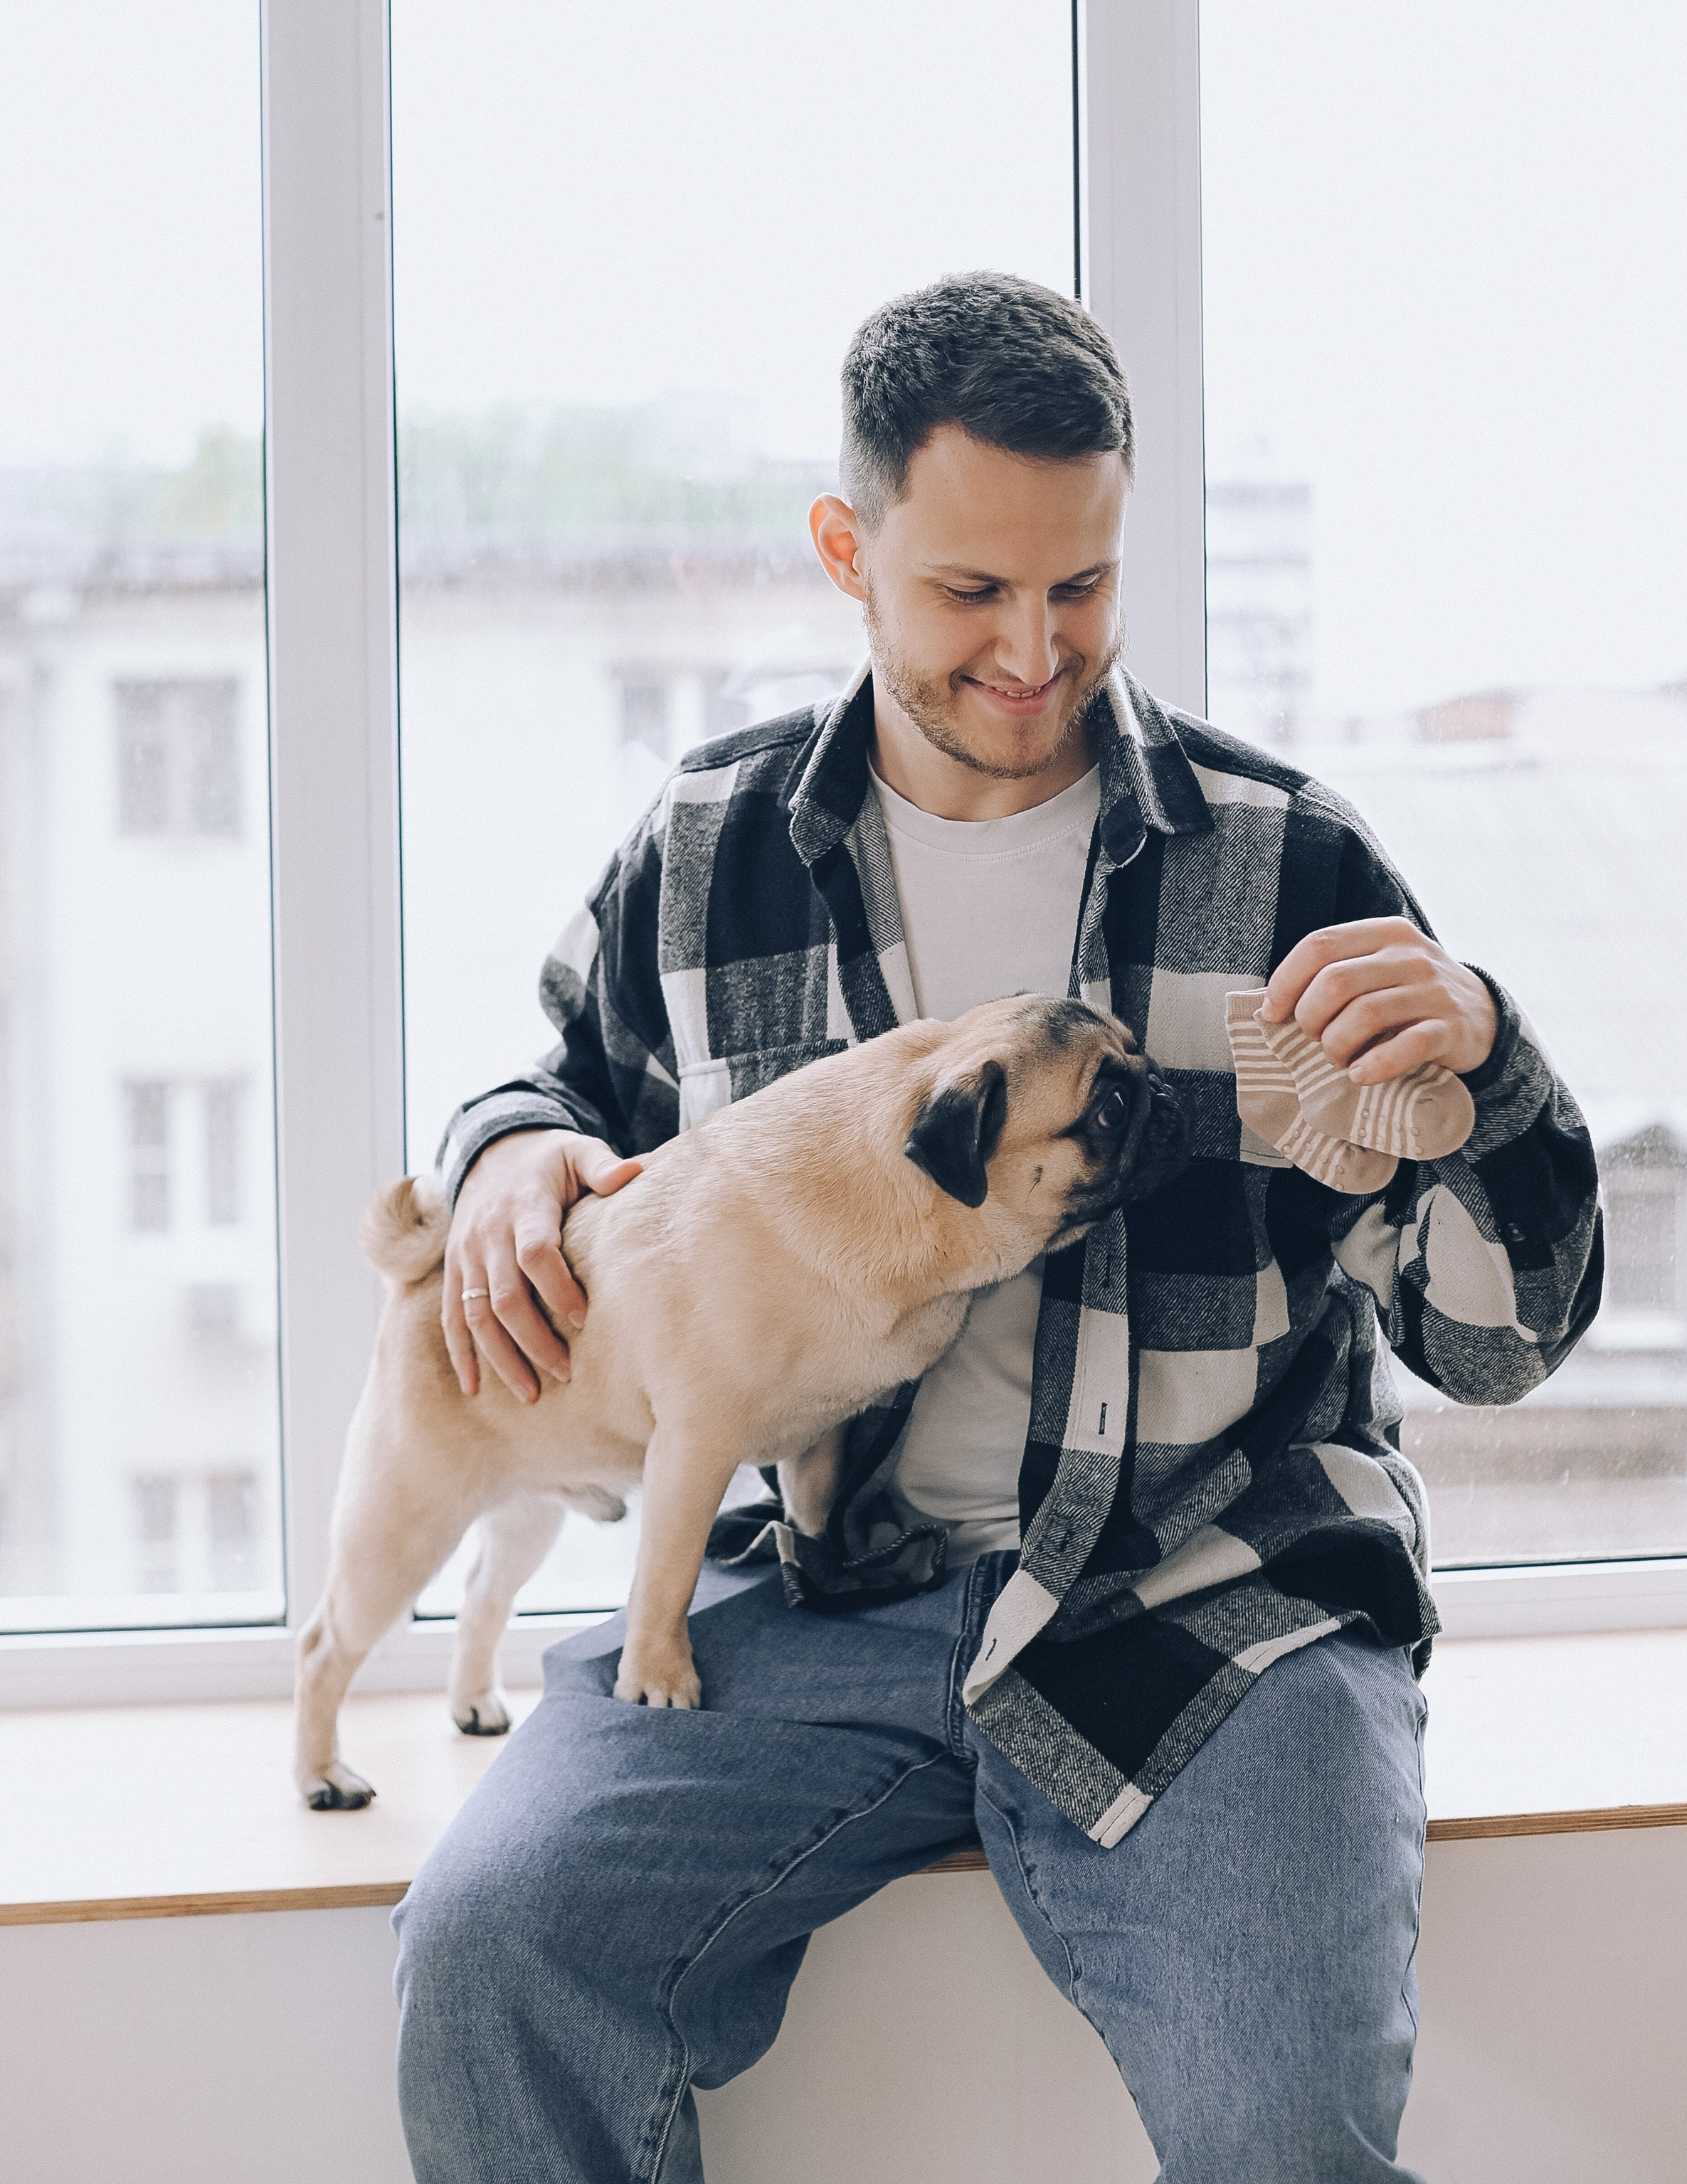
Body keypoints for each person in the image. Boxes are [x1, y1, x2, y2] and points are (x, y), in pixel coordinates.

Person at [393, 272, 1602, 2183]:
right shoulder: (712, 847)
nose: (1039, 652)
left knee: (1286, 2111)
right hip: (800, 1602)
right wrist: (507, 1161)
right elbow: (553, 1087)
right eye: (972, 592)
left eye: (1084, 585)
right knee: (488, 1960)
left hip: (1214, 1597)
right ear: (844, 549)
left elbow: (1499, 1345)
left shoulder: (1289, 863)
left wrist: (1494, 1069)